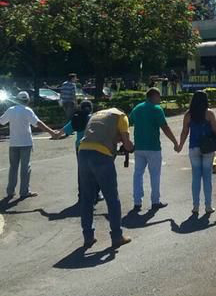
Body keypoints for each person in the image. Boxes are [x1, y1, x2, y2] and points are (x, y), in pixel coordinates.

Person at [78, 107, 132, 248]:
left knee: (87, 198)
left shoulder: (97, 115)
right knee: (112, 198)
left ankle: (88, 236)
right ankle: (117, 236)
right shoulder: (121, 117)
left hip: (83, 152)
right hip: (101, 155)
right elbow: (126, 142)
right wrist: (130, 147)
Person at [0, 92, 57, 199]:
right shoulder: (27, 110)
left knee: (13, 168)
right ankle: (24, 191)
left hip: (14, 143)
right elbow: (38, 123)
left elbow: (0, 121)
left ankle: (10, 191)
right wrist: (51, 132)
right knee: (25, 168)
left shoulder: (11, 110)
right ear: (28, 100)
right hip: (25, 143)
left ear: (17, 99)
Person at [129, 87, 180, 210]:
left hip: (139, 147)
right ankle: (155, 201)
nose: (160, 99)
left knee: (138, 174)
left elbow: (128, 122)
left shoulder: (137, 108)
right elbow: (165, 128)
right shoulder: (157, 109)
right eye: (158, 96)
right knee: (155, 175)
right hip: (153, 147)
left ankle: (137, 202)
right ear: (153, 96)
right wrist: (175, 142)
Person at [178, 91, 216, 214]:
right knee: (207, 177)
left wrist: (180, 145)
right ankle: (208, 206)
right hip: (208, 147)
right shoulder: (209, 113)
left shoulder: (188, 114)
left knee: (196, 178)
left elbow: (184, 132)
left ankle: (195, 206)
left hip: (193, 147)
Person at [54, 100, 102, 202]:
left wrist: (55, 134)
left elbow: (63, 131)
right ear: (91, 108)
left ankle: (82, 195)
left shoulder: (77, 118)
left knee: (82, 171)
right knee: (95, 171)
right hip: (94, 147)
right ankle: (95, 194)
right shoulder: (95, 118)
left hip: (80, 147)